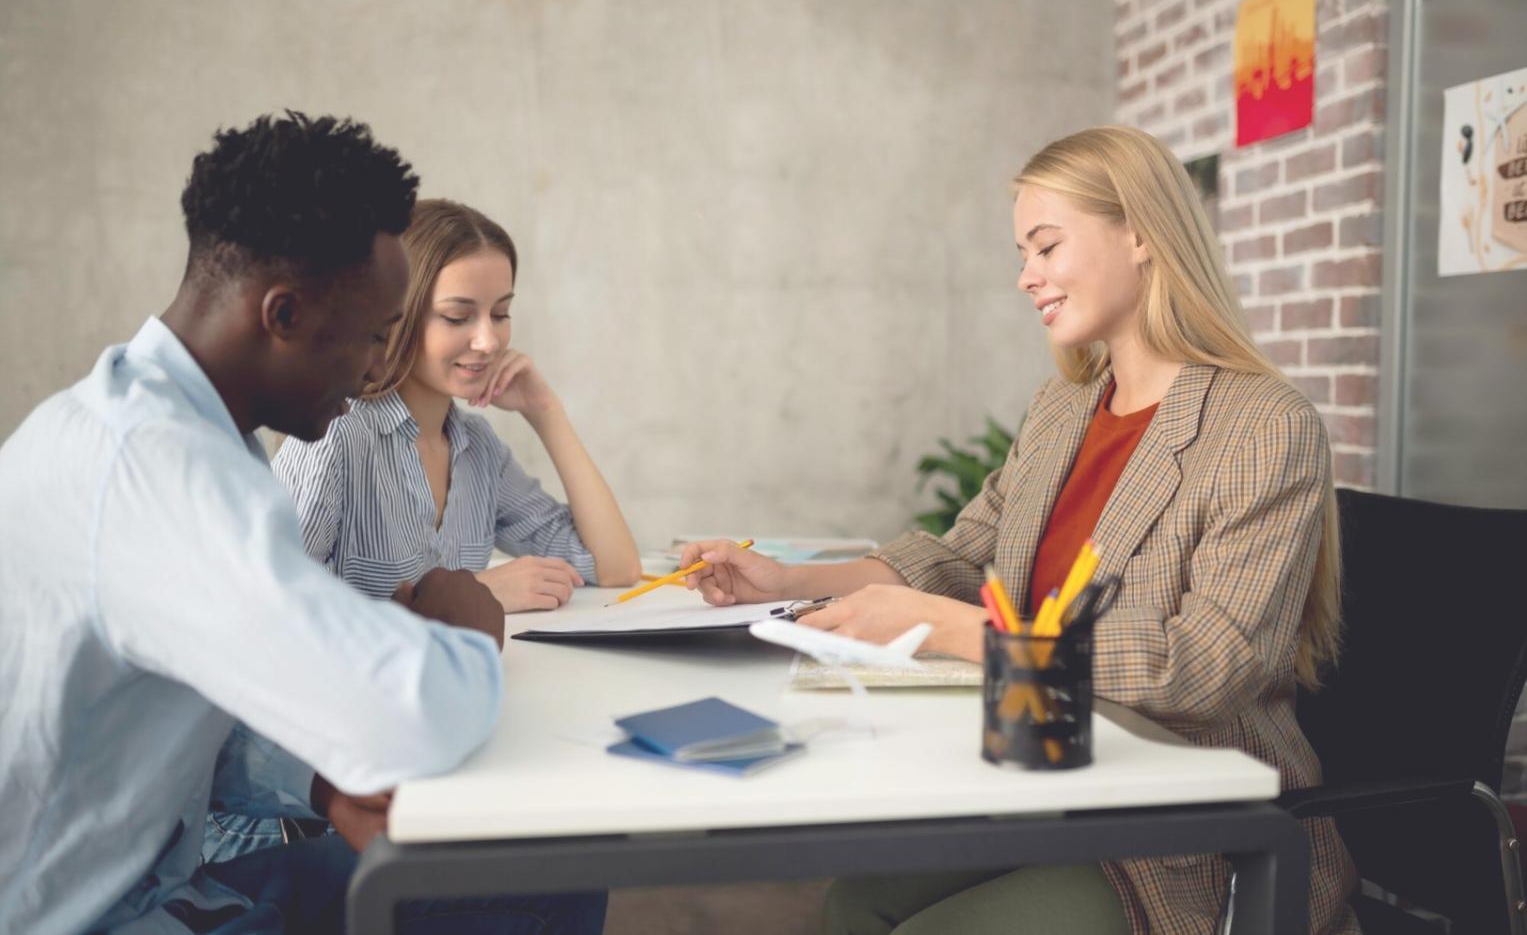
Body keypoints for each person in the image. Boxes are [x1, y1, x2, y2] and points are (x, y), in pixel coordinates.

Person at [678, 125, 1360, 934]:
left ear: (1139, 231)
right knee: (853, 903)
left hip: (1191, 827)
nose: (1024, 276)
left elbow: (1201, 666)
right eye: (1021, 252)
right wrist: (788, 582)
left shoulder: (1260, 424)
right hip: (1052, 776)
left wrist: (956, 630)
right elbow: (960, 557)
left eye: (1044, 246)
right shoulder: (1063, 408)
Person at [0, 112, 602, 934]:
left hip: (167, 879)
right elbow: (408, 719)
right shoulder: (160, 471)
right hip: (100, 915)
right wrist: (467, 624)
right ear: (281, 314)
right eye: (373, 334)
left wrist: (321, 782)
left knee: (556, 874)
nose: (370, 369)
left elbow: (201, 703)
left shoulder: (168, 425)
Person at [202, 197, 641, 864]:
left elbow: (612, 565)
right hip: (311, 807)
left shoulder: (477, 448)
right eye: (458, 316)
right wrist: (477, 589)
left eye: (500, 313)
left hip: (420, 760)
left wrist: (547, 413)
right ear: (397, 317)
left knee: (575, 854)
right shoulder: (336, 437)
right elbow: (265, 633)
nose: (489, 340)